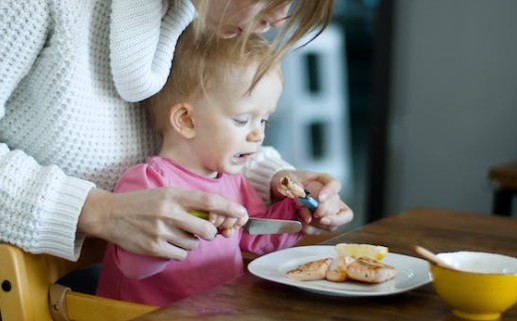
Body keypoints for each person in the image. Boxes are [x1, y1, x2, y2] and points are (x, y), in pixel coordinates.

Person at [0, 0, 351, 265]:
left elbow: (200, 131)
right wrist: (96, 211)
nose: (278, 18)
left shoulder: (192, 10)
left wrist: (272, 179)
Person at [97, 24, 347, 305]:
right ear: (187, 121)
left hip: (222, 309)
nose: (258, 134)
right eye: (243, 120)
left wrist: (297, 213)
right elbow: (135, 268)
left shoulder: (231, 179)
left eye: (263, 119)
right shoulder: (148, 183)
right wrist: (185, 227)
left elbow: (255, 240)